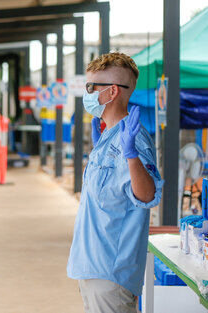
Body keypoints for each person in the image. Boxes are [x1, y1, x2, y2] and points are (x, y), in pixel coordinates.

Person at [67, 52, 164, 313]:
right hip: (92, 268)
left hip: (111, 272)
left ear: (111, 92)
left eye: (91, 88)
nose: (87, 93)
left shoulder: (133, 139)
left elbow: (147, 196)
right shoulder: (107, 135)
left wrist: (131, 155)